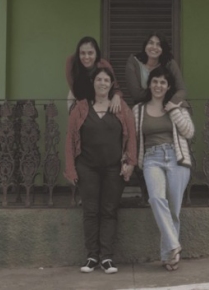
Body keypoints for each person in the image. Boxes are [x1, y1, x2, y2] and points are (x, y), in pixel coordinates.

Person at [64, 67, 137, 274]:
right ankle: (92, 256)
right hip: (87, 168)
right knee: (90, 211)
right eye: (99, 79)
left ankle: (107, 257)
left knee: (109, 211)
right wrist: (70, 169)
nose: (102, 83)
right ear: (93, 83)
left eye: (106, 80)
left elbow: (132, 136)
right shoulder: (81, 108)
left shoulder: (121, 107)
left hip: (114, 169)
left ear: (111, 84)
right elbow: (70, 139)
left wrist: (130, 162)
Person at [132, 66, 195, 271]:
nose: (158, 85)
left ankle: (169, 256)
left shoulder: (178, 107)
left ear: (168, 86)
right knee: (156, 199)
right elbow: (133, 139)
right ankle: (174, 244)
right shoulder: (138, 110)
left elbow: (189, 132)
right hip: (152, 159)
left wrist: (174, 110)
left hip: (176, 158)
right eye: (155, 81)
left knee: (173, 209)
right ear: (149, 84)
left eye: (163, 82)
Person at [125, 33, 187, 106]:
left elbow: (181, 90)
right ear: (145, 46)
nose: (154, 47)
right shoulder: (134, 62)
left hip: (167, 105)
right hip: (143, 107)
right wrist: (160, 92)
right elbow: (136, 94)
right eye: (151, 43)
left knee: (184, 106)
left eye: (158, 45)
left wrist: (171, 103)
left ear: (163, 49)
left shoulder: (169, 63)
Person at [65, 36, 122, 112]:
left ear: (97, 54)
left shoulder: (104, 66)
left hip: (101, 98)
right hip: (77, 94)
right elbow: (74, 90)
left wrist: (117, 96)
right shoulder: (71, 62)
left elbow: (116, 88)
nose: (86, 57)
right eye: (82, 53)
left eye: (90, 53)